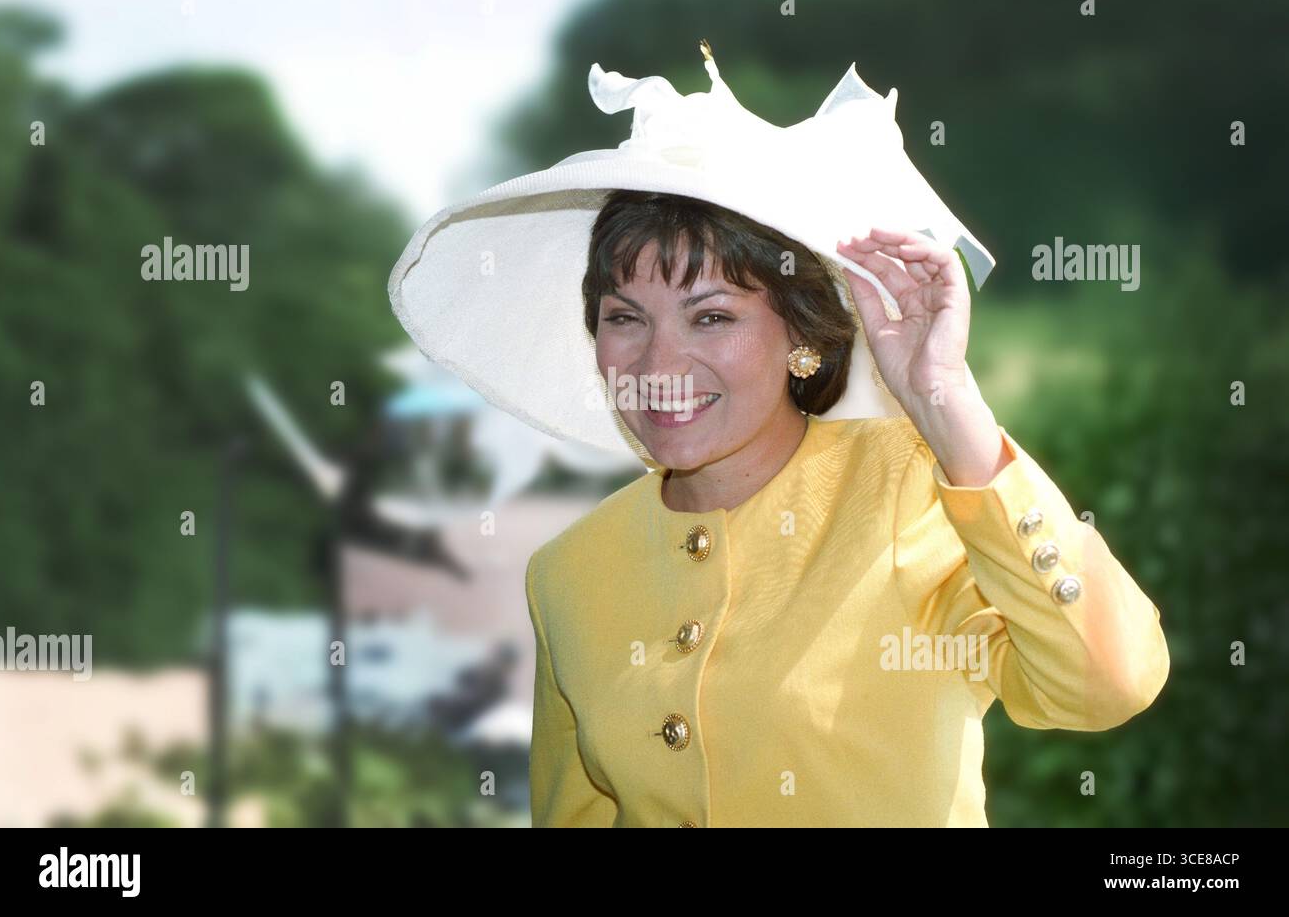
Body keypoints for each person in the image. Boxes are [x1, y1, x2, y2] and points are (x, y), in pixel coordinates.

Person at [387, 43, 1170, 826]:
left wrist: (944, 398)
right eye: (624, 317)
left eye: (713, 316)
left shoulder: (914, 491)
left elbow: (1108, 680)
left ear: (801, 335)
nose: (659, 361)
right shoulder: (566, 572)